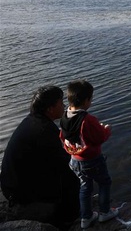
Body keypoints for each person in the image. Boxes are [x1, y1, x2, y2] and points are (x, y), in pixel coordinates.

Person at [0, 85, 80, 229]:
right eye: (61, 103)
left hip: (10, 186)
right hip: (21, 195)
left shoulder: (32, 121)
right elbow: (64, 163)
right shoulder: (44, 130)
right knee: (73, 178)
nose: (64, 106)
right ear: (50, 109)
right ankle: (70, 219)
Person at [59, 79, 118, 229]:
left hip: (74, 160)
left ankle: (86, 217)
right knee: (105, 182)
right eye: (91, 98)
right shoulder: (88, 120)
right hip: (91, 160)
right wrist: (106, 129)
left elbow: (63, 136)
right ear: (86, 101)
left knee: (85, 187)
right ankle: (104, 212)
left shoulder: (65, 115)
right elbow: (99, 138)